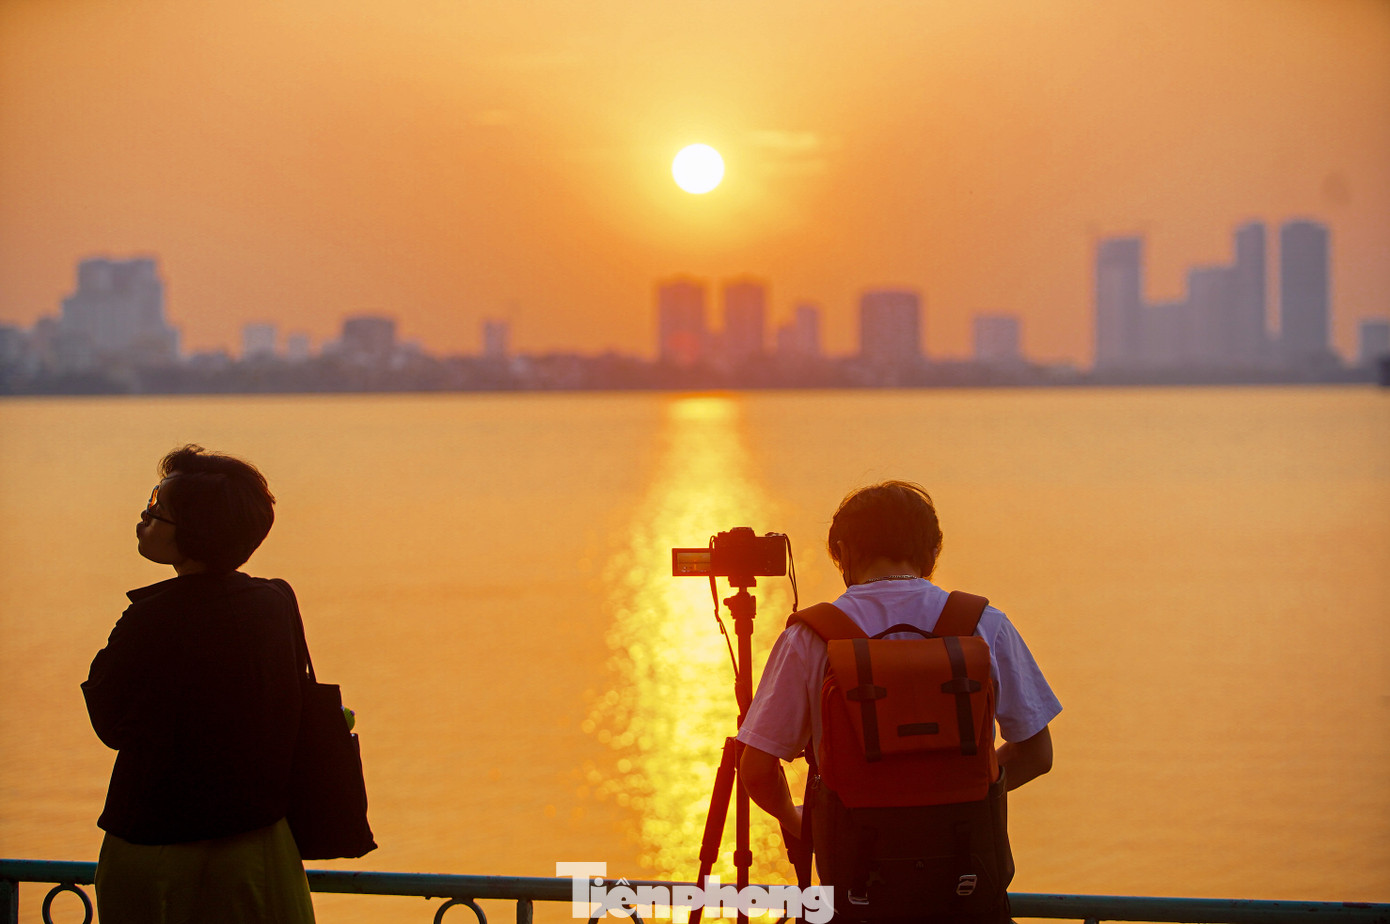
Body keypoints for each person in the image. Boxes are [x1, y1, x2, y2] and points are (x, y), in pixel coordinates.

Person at [737, 481, 1061, 908]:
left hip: (858, 888)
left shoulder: (811, 636)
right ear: (931, 551)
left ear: (843, 551)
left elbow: (757, 769)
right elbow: (1036, 754)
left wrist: (802, 822)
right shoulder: (983, 623)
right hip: (966, 884)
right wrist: (965, 793)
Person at [83, 445, 316, 924]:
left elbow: (110, 721)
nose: (142, 520)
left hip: (156, 842)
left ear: (194, 533)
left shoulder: (149, 618)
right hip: (259, 842)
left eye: (156, 512)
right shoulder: (274, 603)